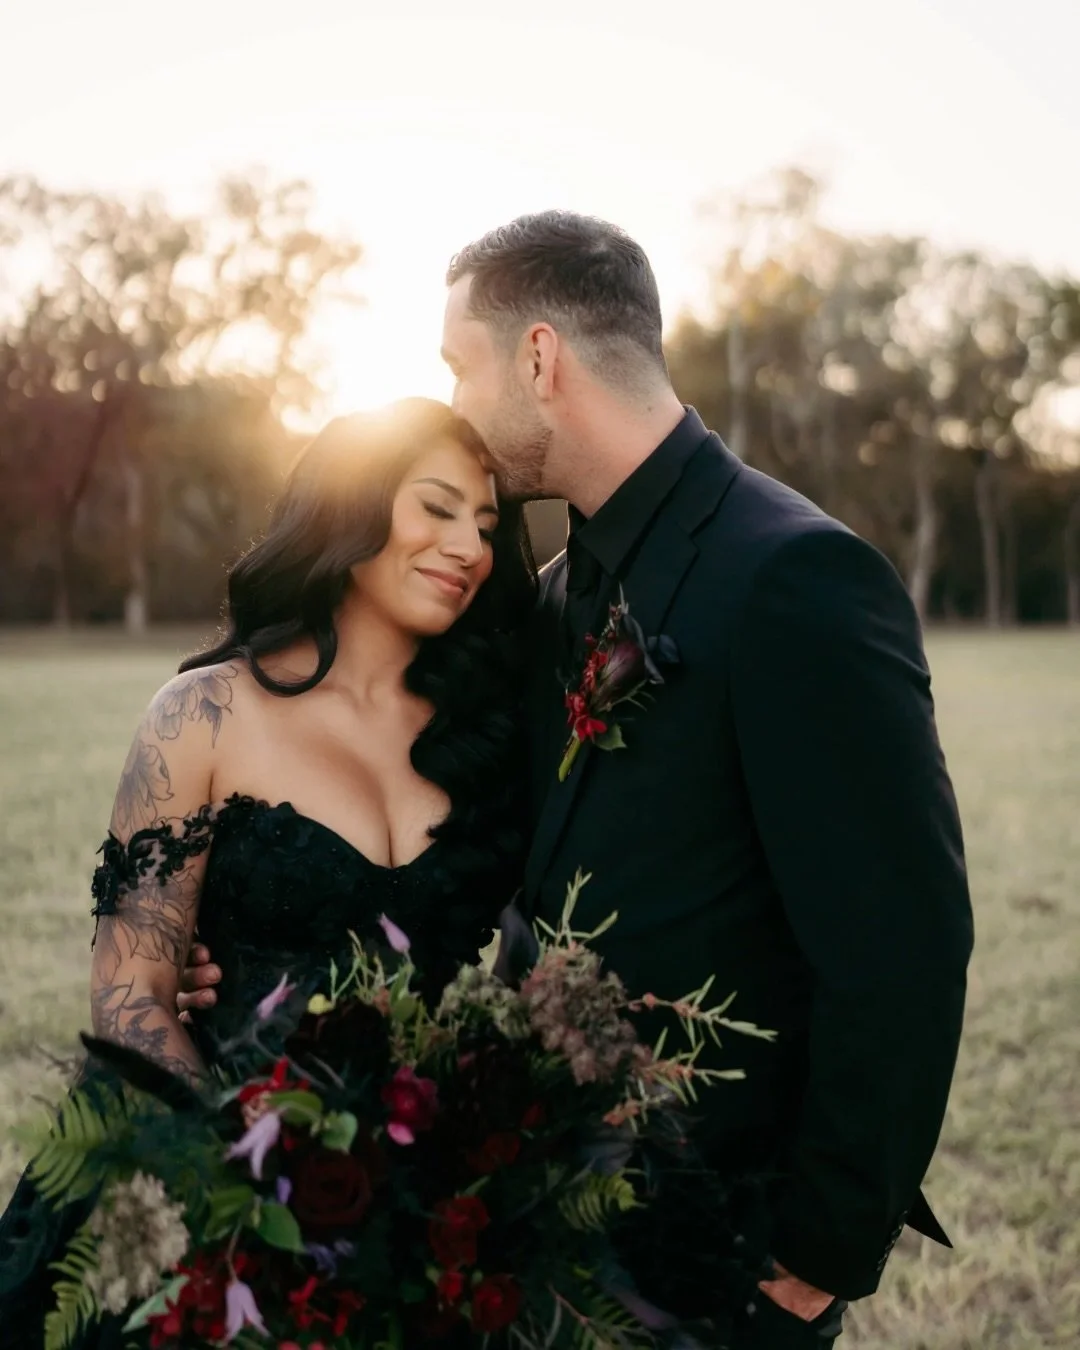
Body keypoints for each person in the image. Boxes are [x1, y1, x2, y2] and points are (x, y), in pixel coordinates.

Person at [182, 212, 974, 1347]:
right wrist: (247, 936)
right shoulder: (555, 591)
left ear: (540, 357)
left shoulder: (796, 578)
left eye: (461, 364)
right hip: (551, 1211)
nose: (453, 400)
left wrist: (814, 1261)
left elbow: (902, 948)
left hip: (730, 1240)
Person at [0, 398, 536, 1348]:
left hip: (410, 1215)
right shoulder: (202, 714)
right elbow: (131, 998)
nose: (470, 547)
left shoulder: (491, 739)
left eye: (489, 526)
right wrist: (248, 1186)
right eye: (439, 507)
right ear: (353, 505)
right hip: (193, 1189)